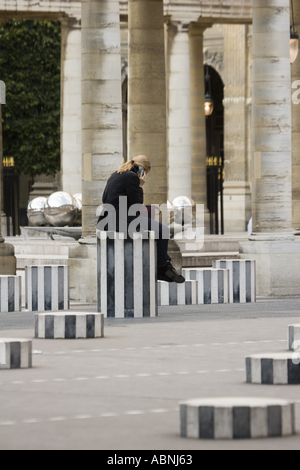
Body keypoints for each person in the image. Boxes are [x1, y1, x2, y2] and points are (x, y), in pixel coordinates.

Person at [98, 155, 185, 284]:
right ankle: (162, 268)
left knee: (156, 229)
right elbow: (136, 205)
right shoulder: (132, 177)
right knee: (163, 230)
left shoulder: (116, 174)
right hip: (123, 222)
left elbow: (105, 198)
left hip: (107, 221)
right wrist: (140, 185)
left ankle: (165, 265)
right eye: (146, 173)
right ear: (141, 169)